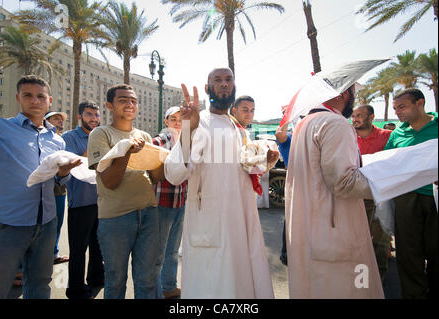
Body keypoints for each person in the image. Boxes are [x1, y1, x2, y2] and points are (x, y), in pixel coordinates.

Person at [164, 67, 279, 298]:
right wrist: (189, 129)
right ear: (207, 89)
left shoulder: (235, 127)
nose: (224, 84)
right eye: (217, 80)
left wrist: (265, 161)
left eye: (228, 79)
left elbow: (239, 168)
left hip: (241, 222)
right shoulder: (200, 122)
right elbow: (174, 173)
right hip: (212, 226)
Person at [284, 85, 384, 298]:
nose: (354, 100)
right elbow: (344, 182)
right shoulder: (336, 123)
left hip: (310, 228)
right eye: (353, 94)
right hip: (336, 229)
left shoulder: (303, 123)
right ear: (343, 94)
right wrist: (390, 179)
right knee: (352, 286)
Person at [0, 75, 81, 299]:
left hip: (46, 223)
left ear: (49, 100)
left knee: (40, 284)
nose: (35, 101)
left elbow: (56, 181)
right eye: (28, 95)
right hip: (7, 224)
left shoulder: (57, 140)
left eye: (41, 96)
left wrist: (63, 173)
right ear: (18, 98)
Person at [87, 84, 159, 299]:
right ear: (109, 105)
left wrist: (164, 158)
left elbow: (155, 177)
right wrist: (127, 152)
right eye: (123, 100)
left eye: (133, 100)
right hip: (116, 218)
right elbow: (109, 181)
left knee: (147, 280)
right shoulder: (100, 134)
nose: (130, 104)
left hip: (148, 213)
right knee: (116, 280)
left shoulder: (144, 135)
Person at [384, 88, 438, 299]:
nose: (397, 112)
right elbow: (387, 162)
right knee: (408, 255)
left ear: (420, 103)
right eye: (395, 108)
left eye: (402, 107)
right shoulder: (397, 134)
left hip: (434, 198)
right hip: (406, 198)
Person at [62, 101, 104, 299]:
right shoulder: (69, 137)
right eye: (89, 115)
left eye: (96, 115)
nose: (94, 119)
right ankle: (76, 288)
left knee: (98, 245)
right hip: (80, 202)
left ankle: (96, 278)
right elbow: (76, 164)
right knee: (78, 249)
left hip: (102, 201)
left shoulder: (101, 135)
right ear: (80, 116)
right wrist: (94, 144)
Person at [351, 104, 392, 281]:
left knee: (380, 241)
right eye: (353, 116)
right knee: (358, 240)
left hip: (382, 197)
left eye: (360, 115)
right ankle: (361, 281)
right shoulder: (348, 137)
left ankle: (378, 282)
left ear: (371, 117)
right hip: (356, 197)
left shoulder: (387, 136)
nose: (355, 119)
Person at [152, 106, 187, 299]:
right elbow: (151, 148)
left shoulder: (187, 142)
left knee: (173, 251)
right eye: (173, 119)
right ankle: (156, 290)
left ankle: (169, 286)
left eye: (181, 119)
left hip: (181, 203)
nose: (177, 122)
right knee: (158, 253)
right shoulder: (161, 140)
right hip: (162, 204)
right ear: (166, 122)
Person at [44, 111, 70, 265]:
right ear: (46, 120)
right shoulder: (41, 138)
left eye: (61, 118)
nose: (60, 120)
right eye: (55, 118)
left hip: (60, 189)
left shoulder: (60, 139)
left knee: (57, 222)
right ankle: (20, 266)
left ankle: (53, 254)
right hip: (44, 189)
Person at [274, 122, 292, 266]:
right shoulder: (290, 139)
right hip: (297, 187)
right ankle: (286, 254)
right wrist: (287, 119)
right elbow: (280, 135)